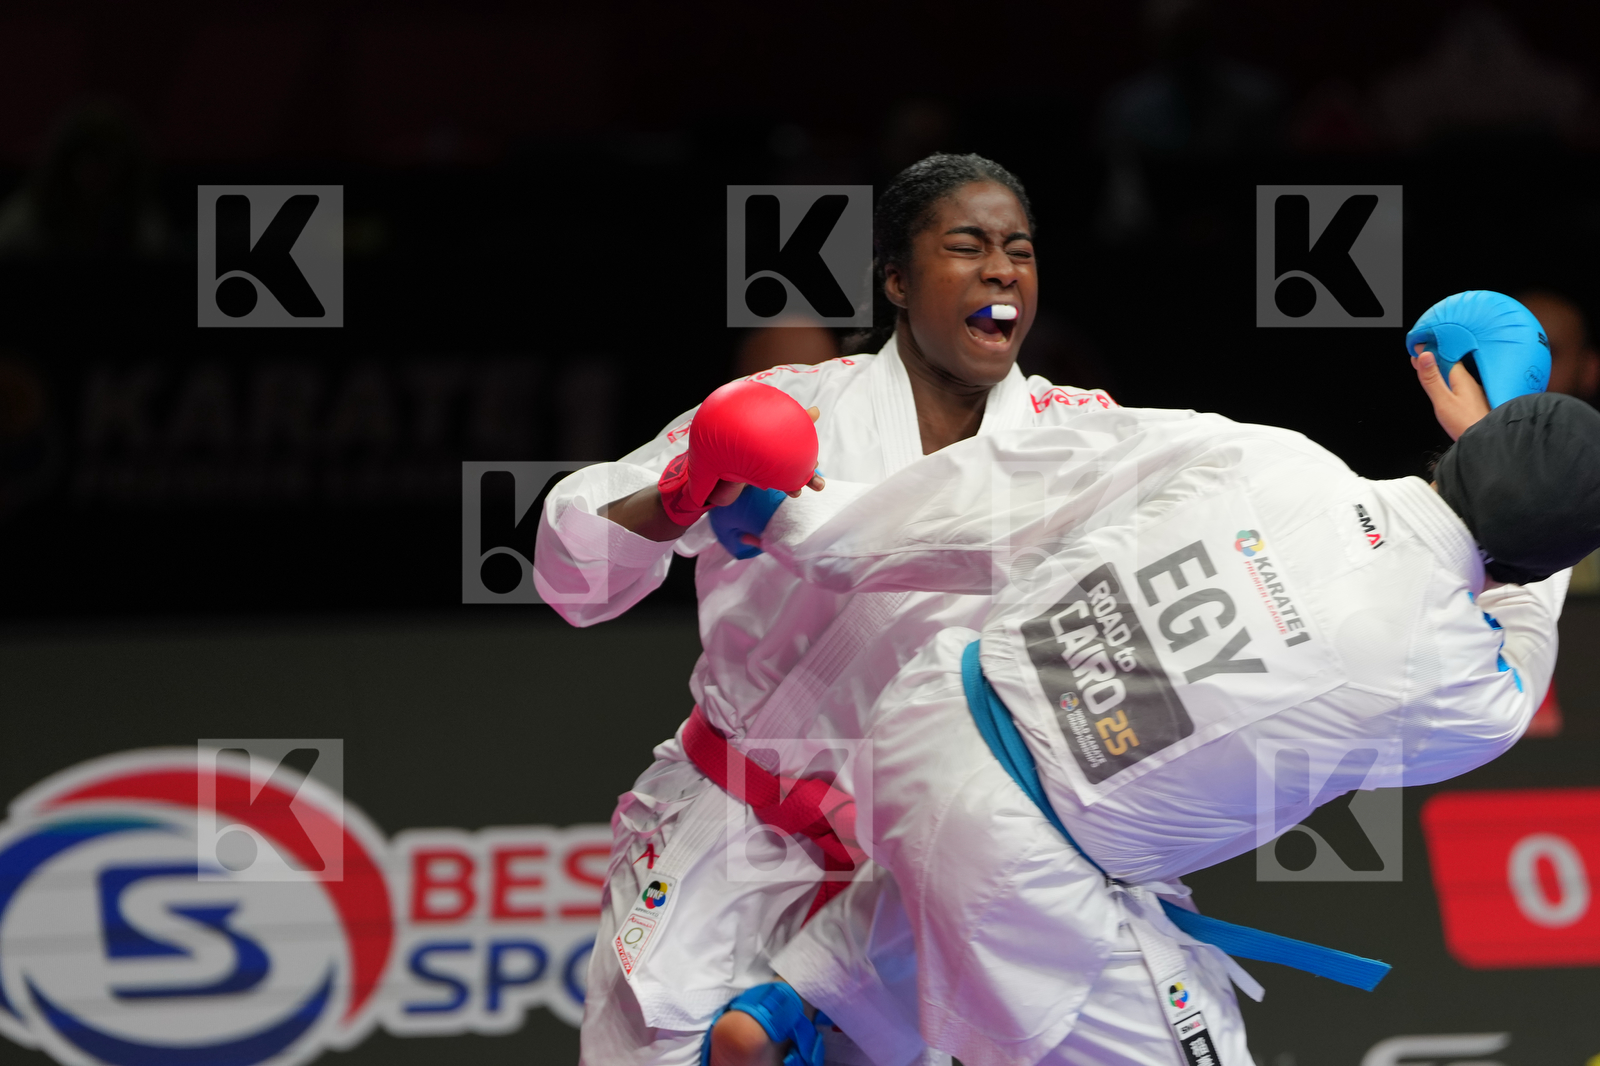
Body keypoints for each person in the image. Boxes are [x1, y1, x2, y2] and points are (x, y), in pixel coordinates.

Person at [714, 353, 1593, 1066]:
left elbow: (1023, 489)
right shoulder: (1455, 682)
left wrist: (807, 528)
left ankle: (799, 1006)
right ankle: (824, 996)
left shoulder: (1276, 456)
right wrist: (1518, 485)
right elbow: (1517, 623)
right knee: (1036, 912)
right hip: (1026, 857)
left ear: (1461, 454)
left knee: (999, 900)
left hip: (927, 718)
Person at [533, 153, 1117, 1065]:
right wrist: (682, 493)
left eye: (1021, 251)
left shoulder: (1080, 437)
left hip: (917, 876)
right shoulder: (790, 406)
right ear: (896, 279)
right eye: (968, 246)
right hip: (729, 833)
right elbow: (573, 576)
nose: (1003, 270)